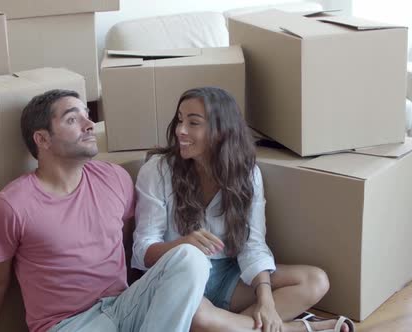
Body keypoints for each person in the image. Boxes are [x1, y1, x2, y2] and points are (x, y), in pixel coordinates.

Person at [0, 89, 210, 332]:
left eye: (87, 116)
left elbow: (127, 245)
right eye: (72, 119)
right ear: (42, 139)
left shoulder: (115, 177)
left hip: (123, 305)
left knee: (190, 257)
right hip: (70, 324)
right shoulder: (10, 206)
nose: (89, 125)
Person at [132, 87, 354, 332]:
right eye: (180, 120)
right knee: (195, 317)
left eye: (193, 123)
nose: (180, 130)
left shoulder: (247, 174)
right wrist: (182, 246)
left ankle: (241, 325)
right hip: (176, 278)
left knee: (315, 281)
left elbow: (253, 244)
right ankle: (299, 328)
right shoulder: (157, 171)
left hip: (227, 275)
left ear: (221, 130)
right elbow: (143, 250)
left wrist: (266, 301)